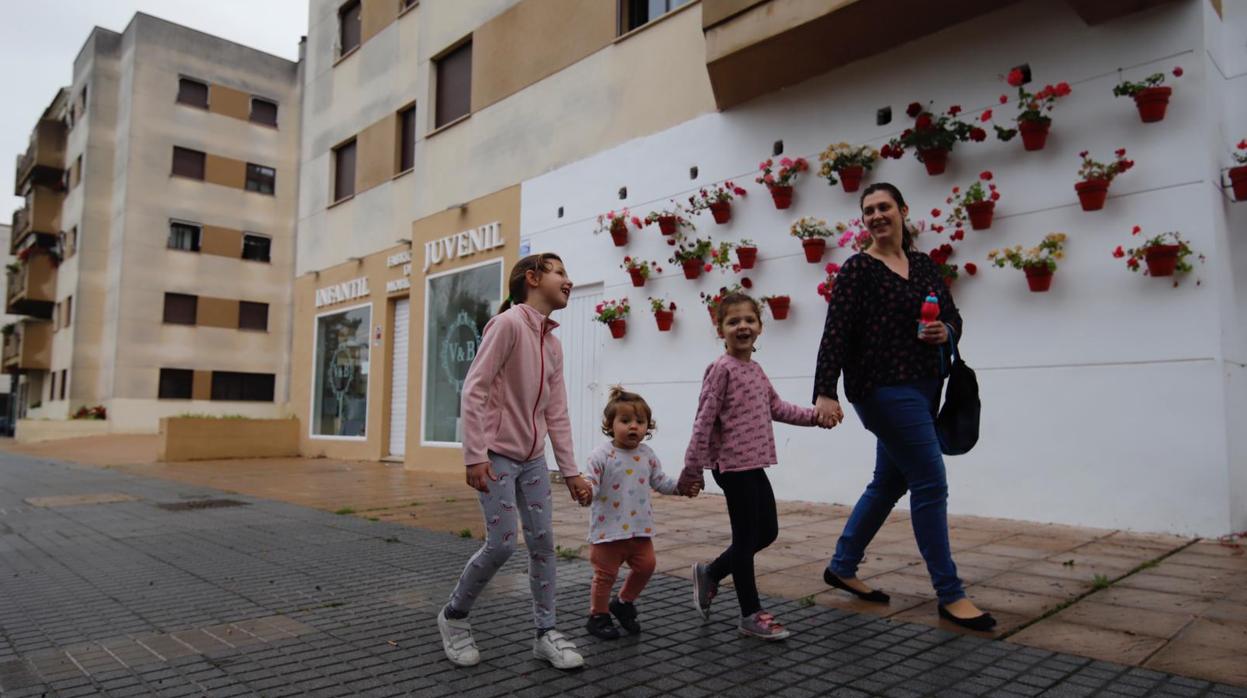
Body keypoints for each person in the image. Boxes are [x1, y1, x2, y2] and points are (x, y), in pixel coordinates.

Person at [812, 182, 996, 632]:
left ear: (902, 211)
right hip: (881, 389)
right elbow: (835, 332)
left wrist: (946, 333)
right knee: (931, 481)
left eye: (884, 207)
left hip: (925, 387)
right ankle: (950, 595)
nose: (876, 215)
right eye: (869, 210)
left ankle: (842, 564)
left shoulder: (924, 266)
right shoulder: (858, 270)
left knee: (889, 482)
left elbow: (954, 316)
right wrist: (824, 390)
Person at [437, 253, 595, 670]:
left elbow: (555, 412)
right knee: (503, 543)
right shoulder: (507, 325)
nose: (568, 280)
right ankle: (454, 617)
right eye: (560, 271)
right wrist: (474, 455)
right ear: (532, 278)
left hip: (534, 461)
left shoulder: (553, 343)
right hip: (497, 457)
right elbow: (474, 389)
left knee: (543, 543)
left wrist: (572, 470)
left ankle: (546, 633)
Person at [680, 292, 834, 640]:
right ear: (720, 330)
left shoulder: (756, 370)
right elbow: (703, 420)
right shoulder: (720, 370)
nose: (742, 326)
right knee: (747, 537)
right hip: (732, 468)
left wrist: (816, 418)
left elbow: (776, 408)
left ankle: (712, 573)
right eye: (733, 321)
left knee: (767, 532)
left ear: (760, 327)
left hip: (753, 464)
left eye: (749, 320)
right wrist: (693, 467)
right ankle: (750, 613)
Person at [582, 387, 699, 640]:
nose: (633, 427)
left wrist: (681, 487)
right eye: (625, 421)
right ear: (610, 425)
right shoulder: (601, 455)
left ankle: (623, 603)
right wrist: (586, 492)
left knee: (647, 566)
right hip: (608, 531)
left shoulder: (647, 455)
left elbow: (660, 481)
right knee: (605, 576)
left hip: (639, 528)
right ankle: (598, 615)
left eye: (640, 422)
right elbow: (590, 481)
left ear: (648, 426)